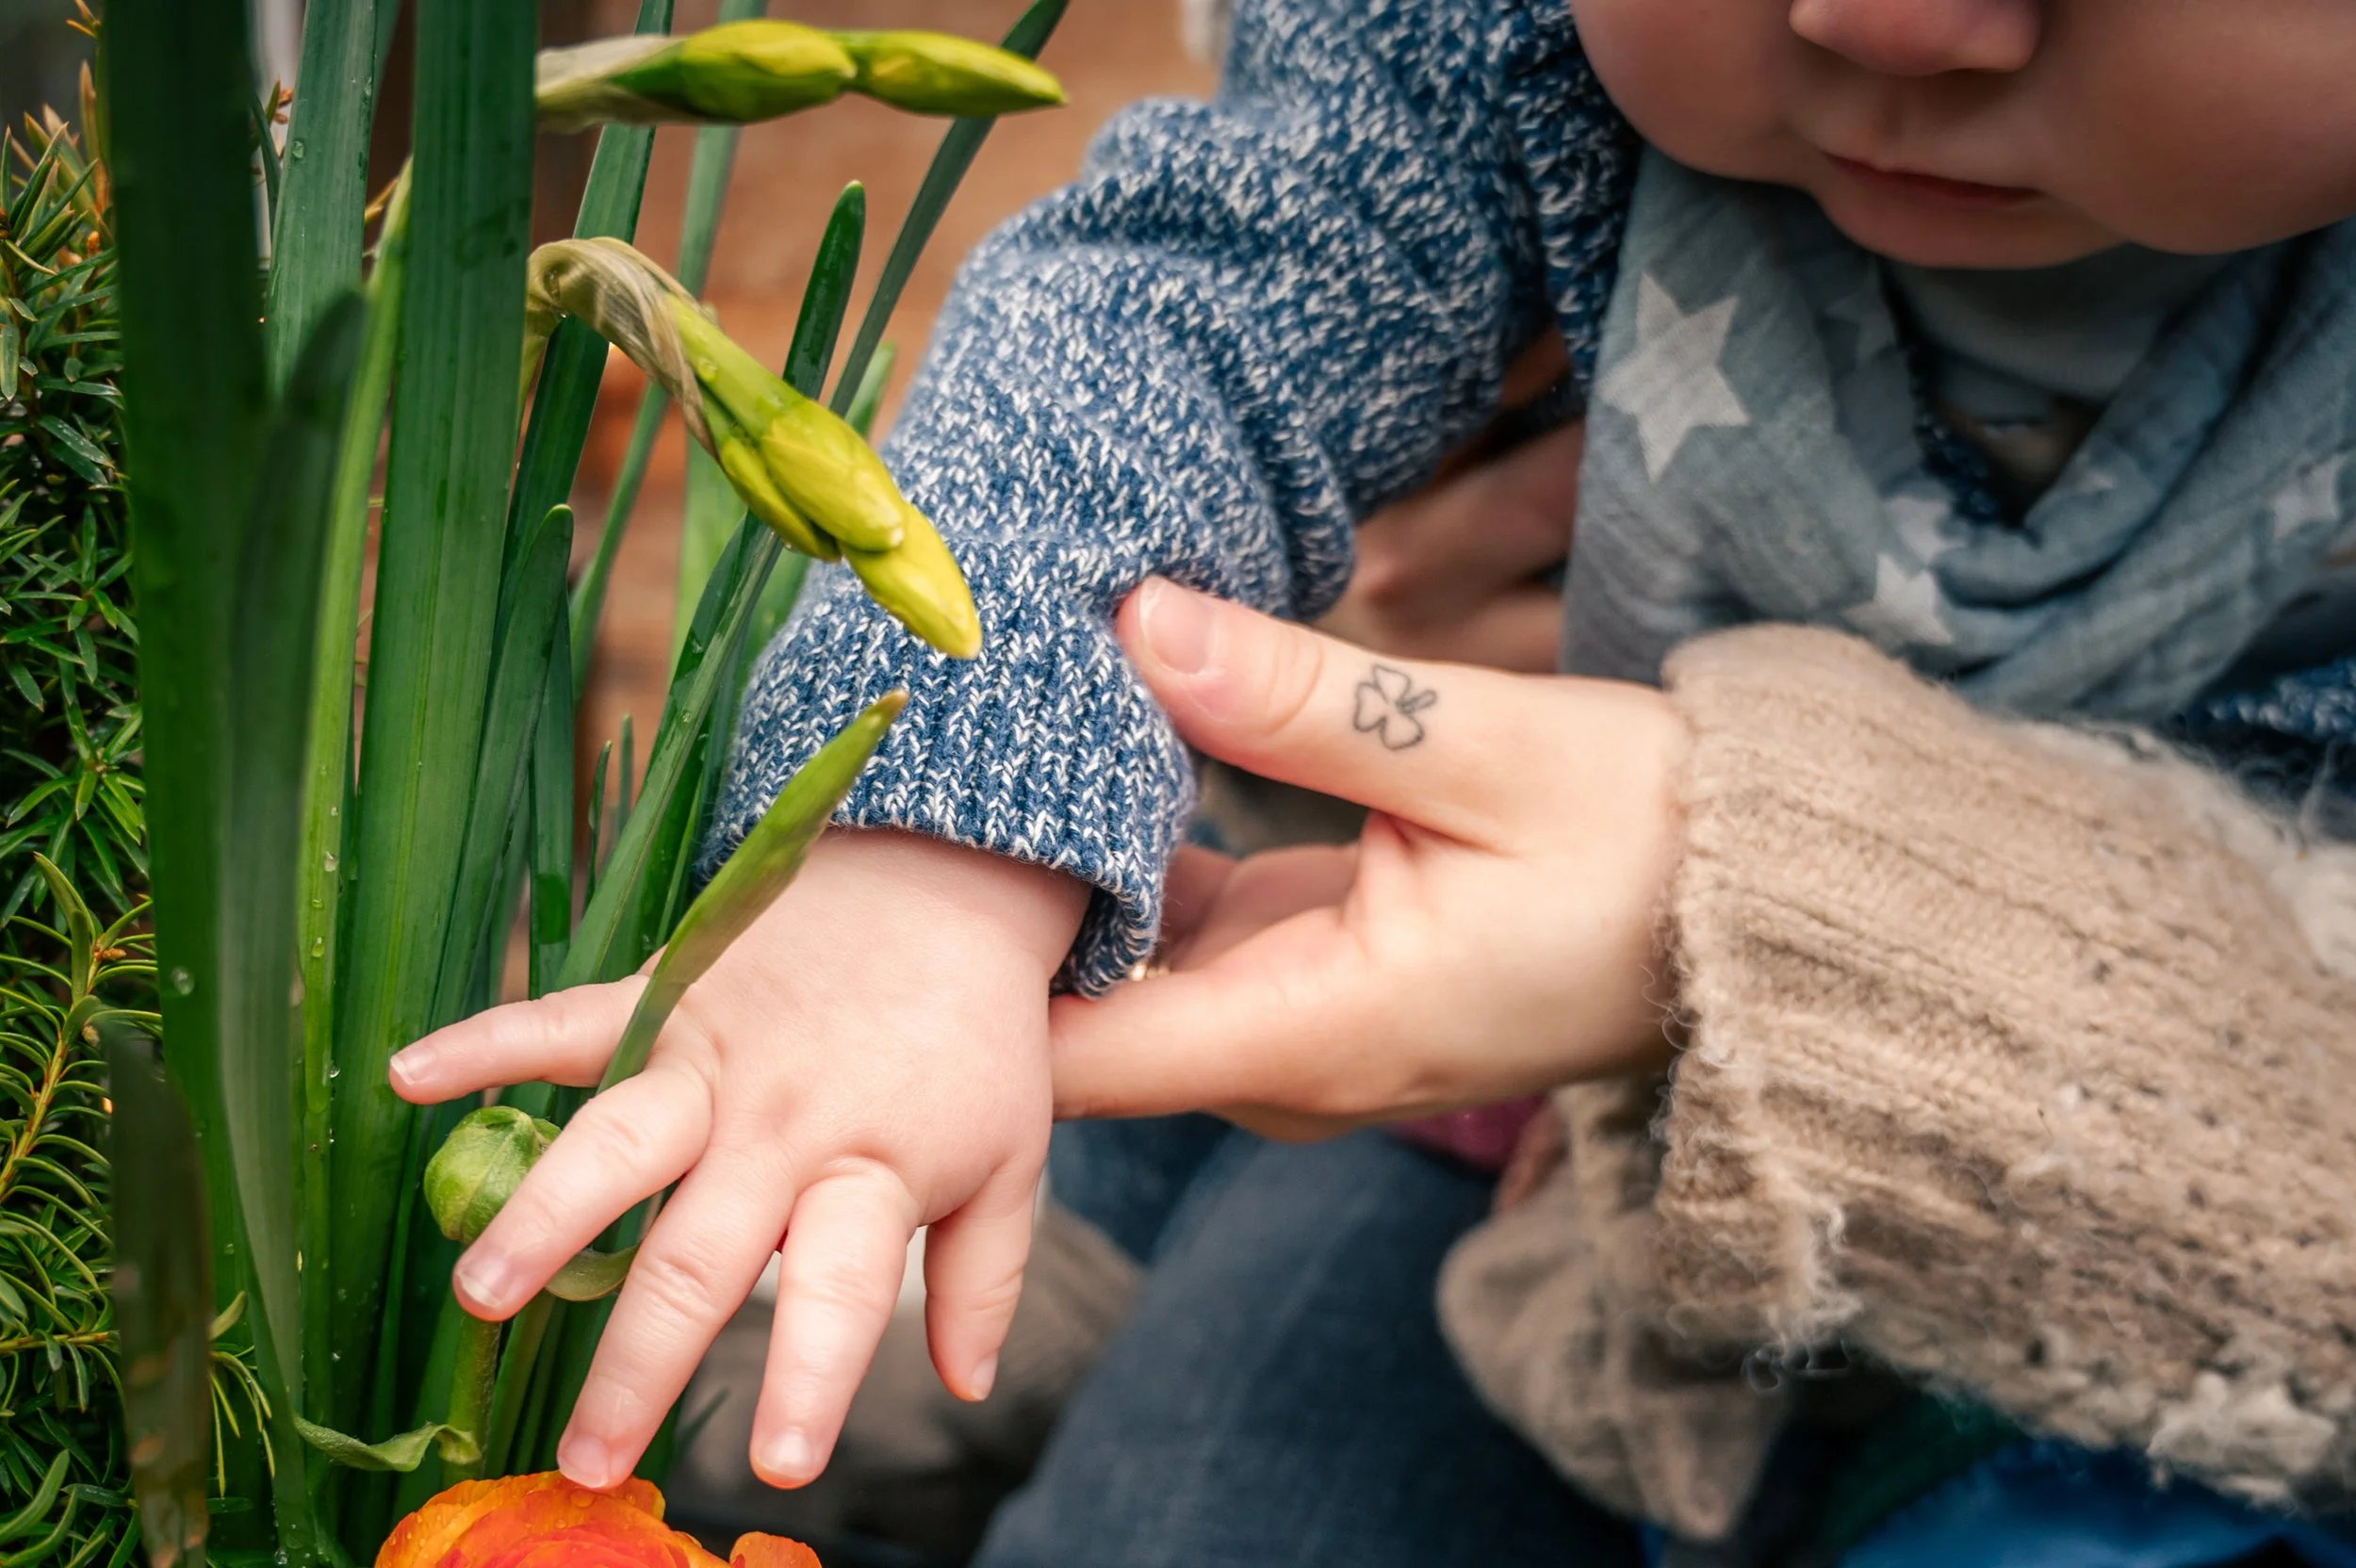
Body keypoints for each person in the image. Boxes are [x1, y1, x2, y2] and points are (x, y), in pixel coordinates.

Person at [387, 0, 2356, 1560]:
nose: (1887, 18)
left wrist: (1712, 917)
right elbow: (1163, 318)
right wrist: (932, 851)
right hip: (1491, 1113)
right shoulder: (1494, 41)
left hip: (2176, 1303)